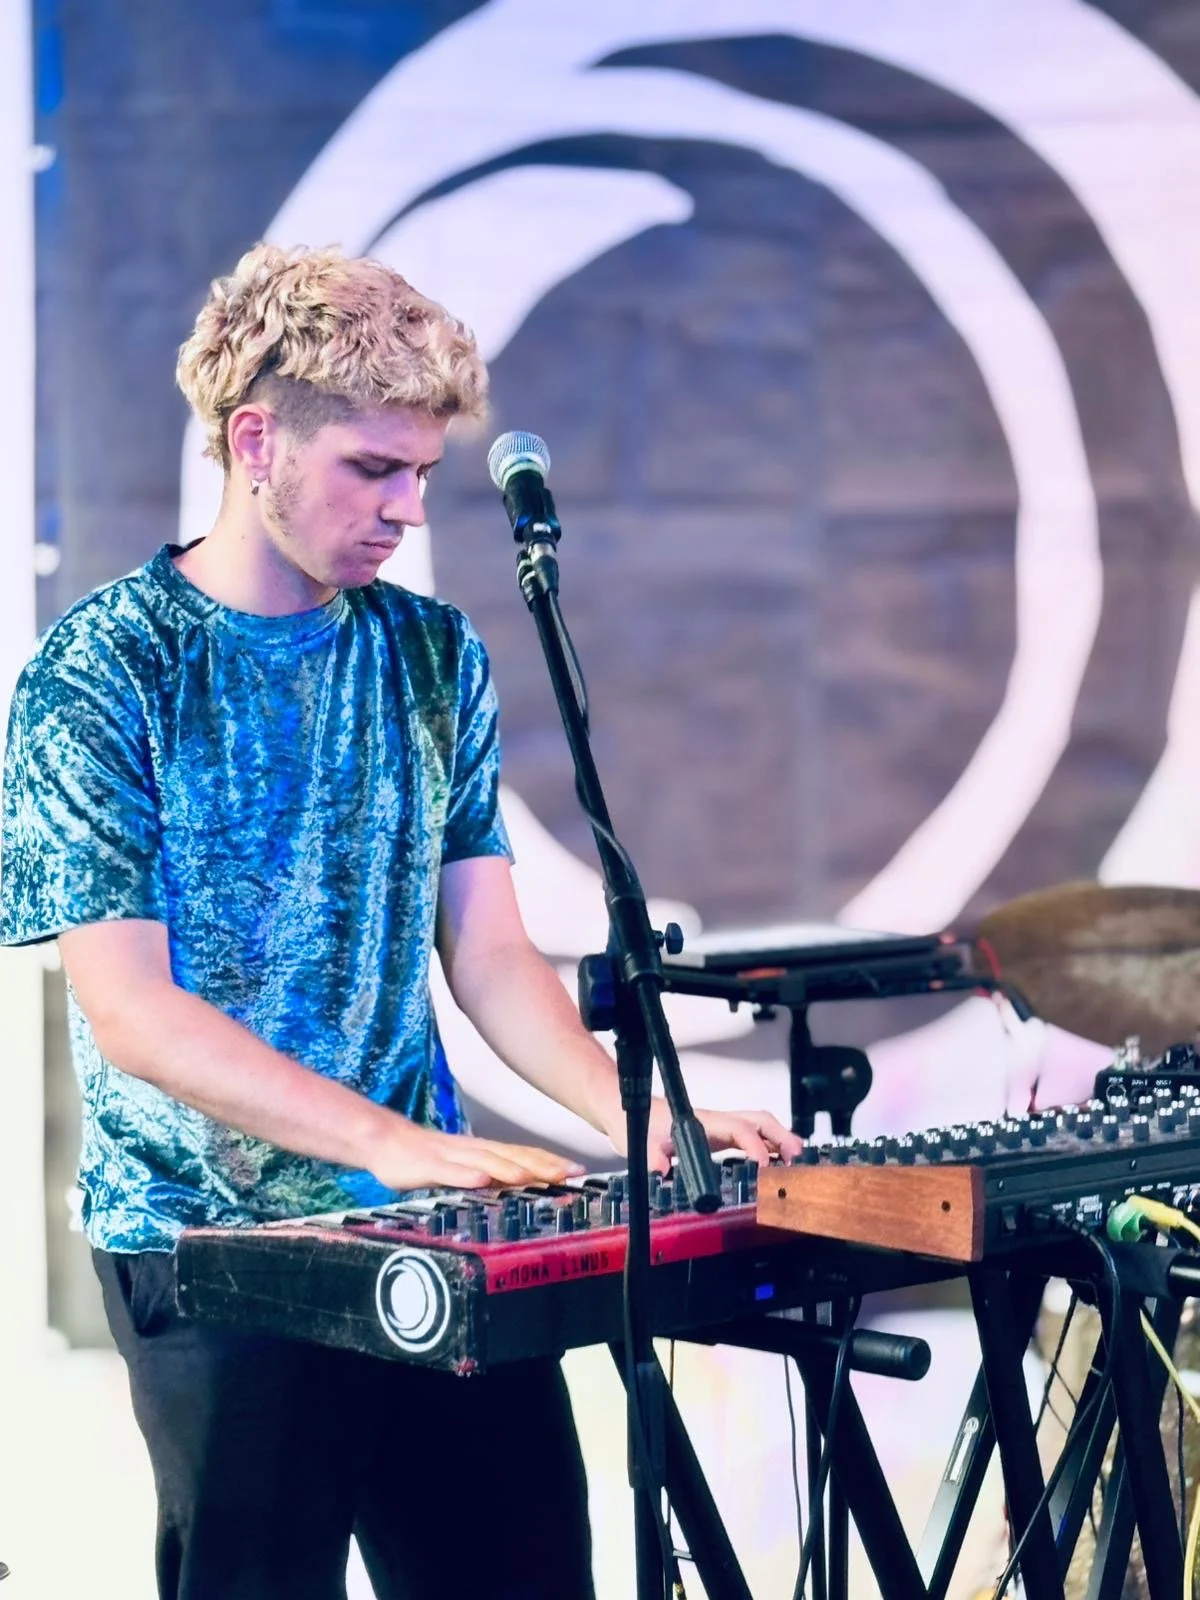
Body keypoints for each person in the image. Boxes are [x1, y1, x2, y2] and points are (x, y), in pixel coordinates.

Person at [0, 243, 800, 1600]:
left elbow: (487, 954)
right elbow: (131, 1012)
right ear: (255, 442)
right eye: (375, 470)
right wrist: (396, 1141)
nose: (407, 511)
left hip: (419, 1226)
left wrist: (634, 1116)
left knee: (523, 1572)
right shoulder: (105, 668)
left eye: (423, 476)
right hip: (209, 1247)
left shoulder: (432, 656)